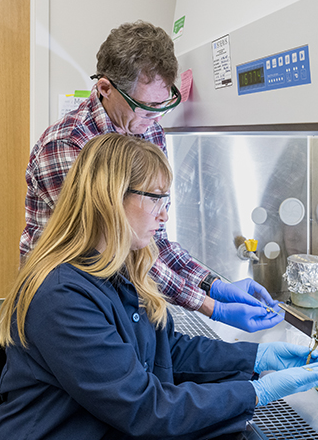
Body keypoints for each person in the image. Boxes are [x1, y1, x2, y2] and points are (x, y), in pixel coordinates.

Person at [0, 134, 318, 440]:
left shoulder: (116, 271)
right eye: (156, 199)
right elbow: (145, 408)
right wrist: (255, 392)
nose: (165, 215)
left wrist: (257, 356)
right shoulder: (60, 296)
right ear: (111, 197)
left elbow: (167, 349)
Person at [21, 20, 280, 333]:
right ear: (105, 88)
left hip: (119, 295)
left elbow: (154, 240)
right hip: (67, 300)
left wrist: (212, 284)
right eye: (146, 107)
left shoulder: (148, 130)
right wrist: (209, 306)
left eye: (163, 104)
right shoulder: (67, 145)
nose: (155, 119)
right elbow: (120, 249)